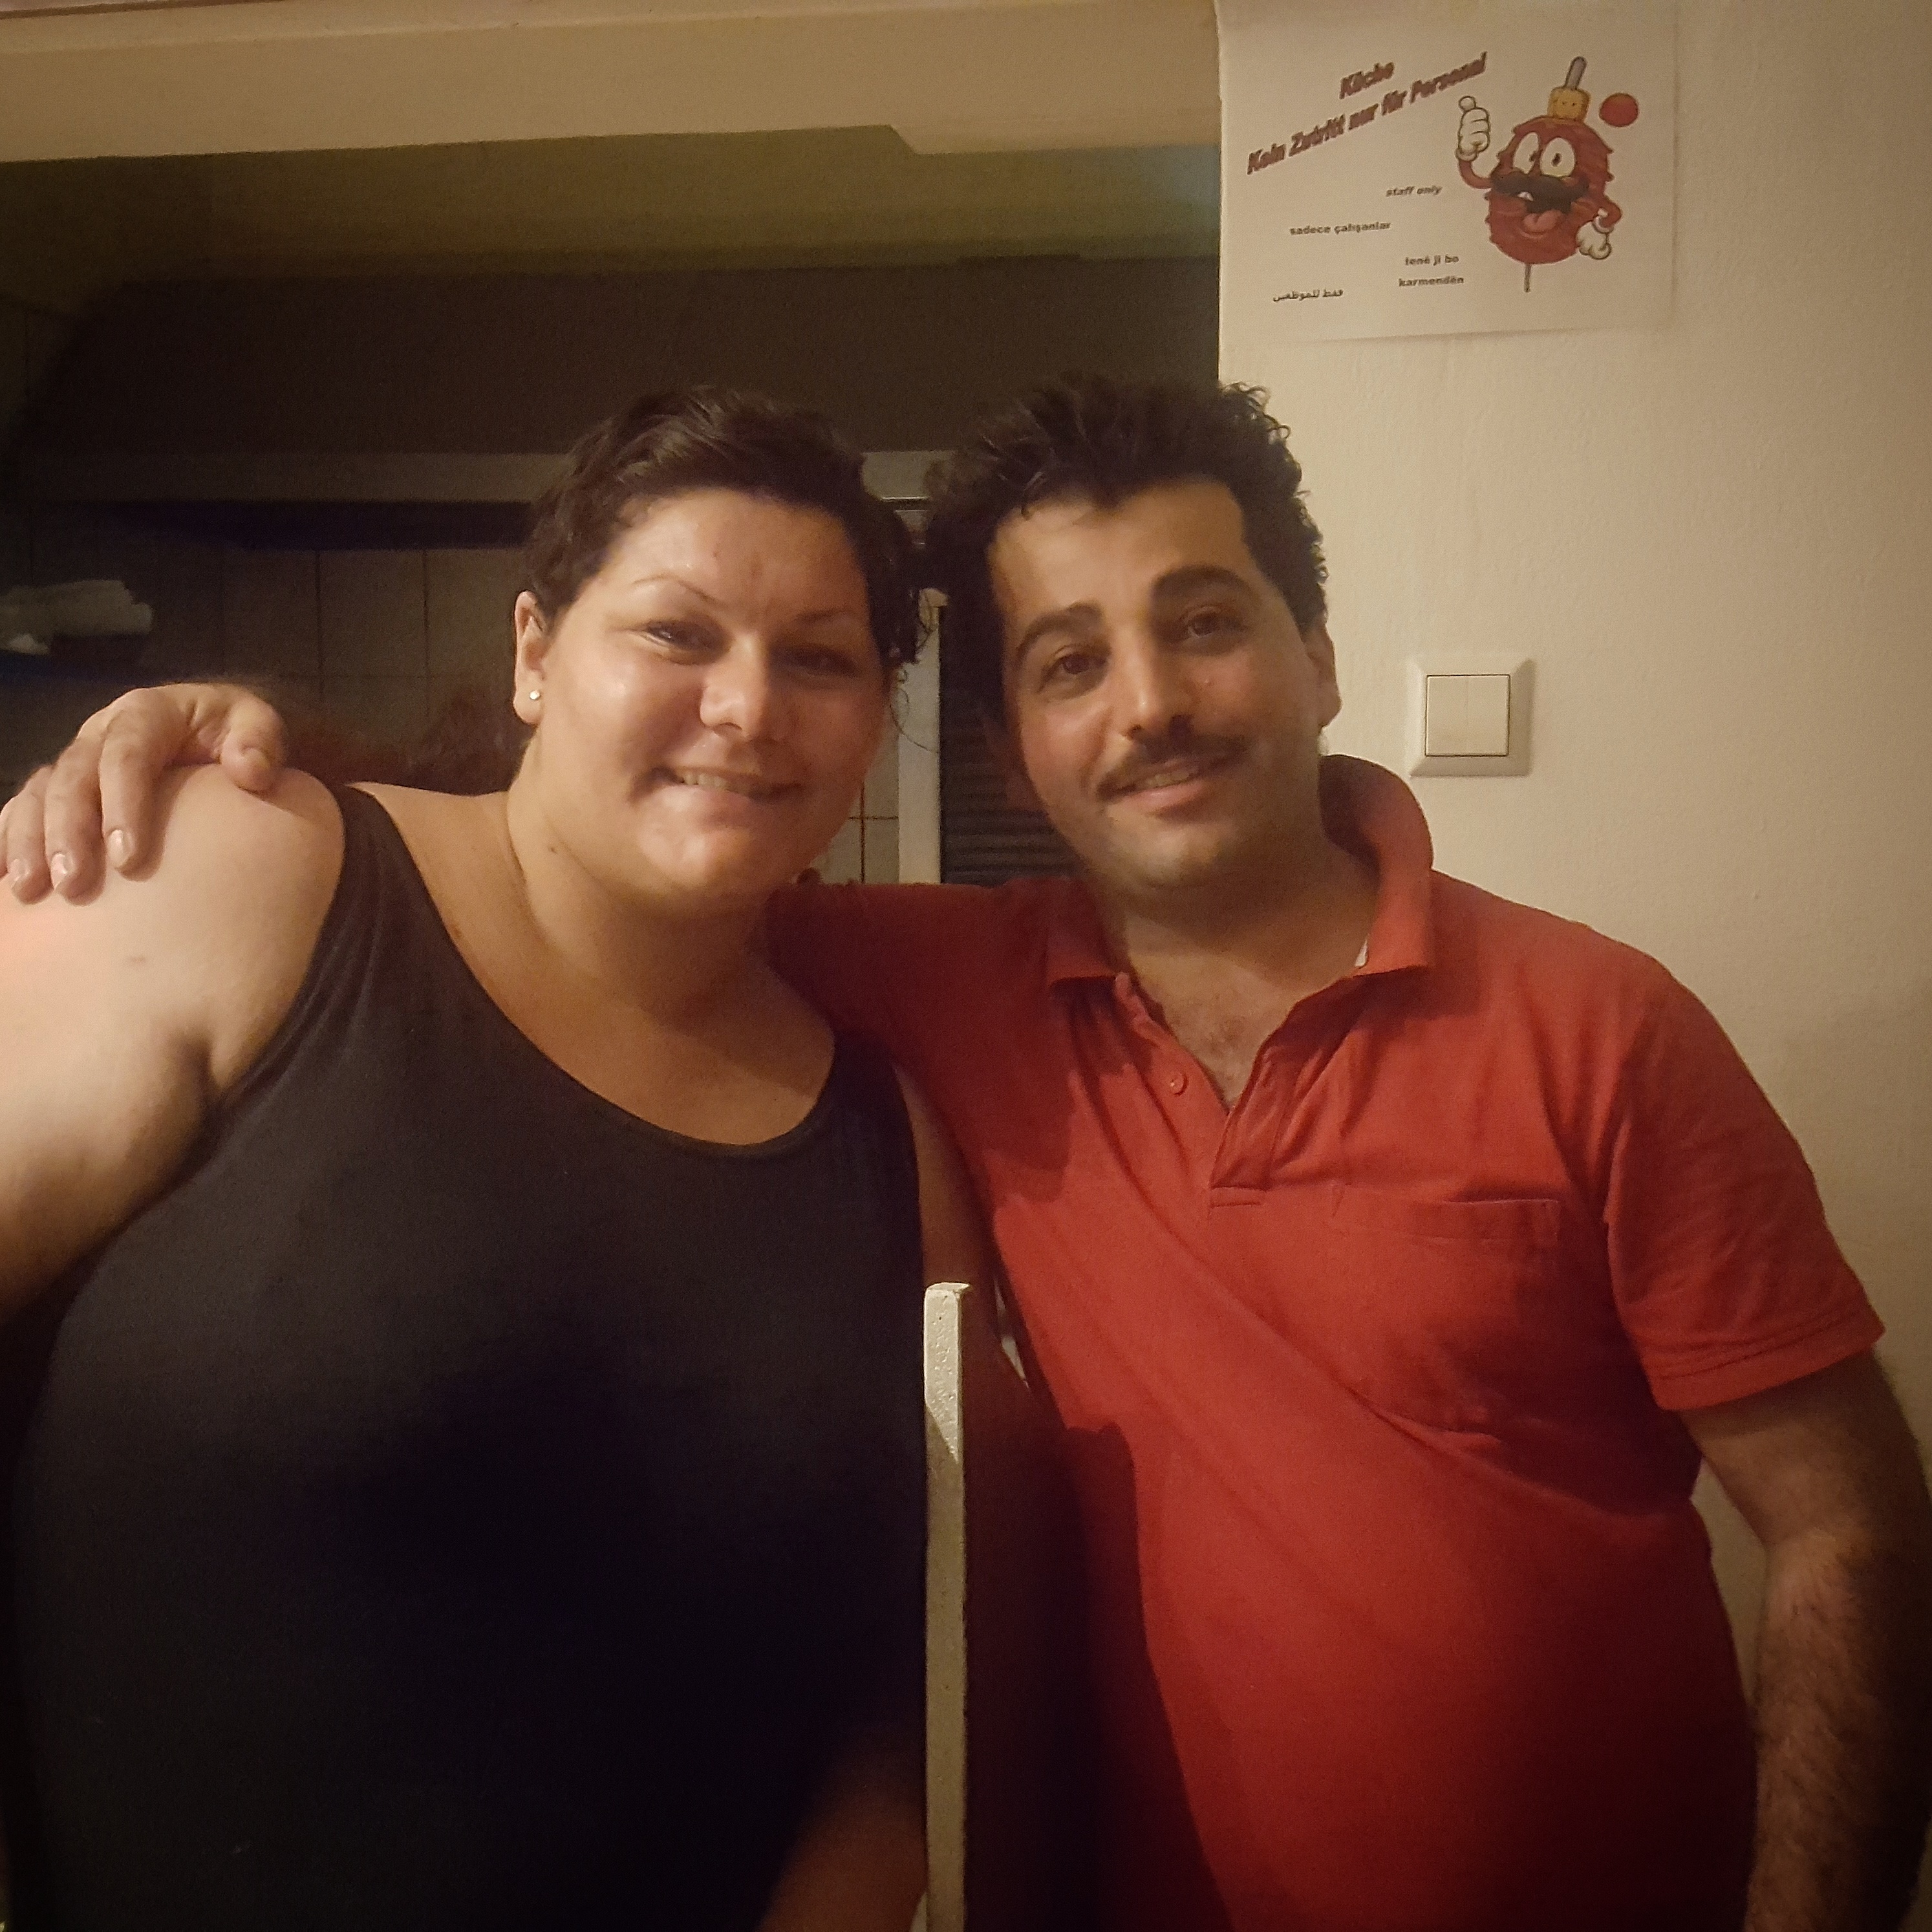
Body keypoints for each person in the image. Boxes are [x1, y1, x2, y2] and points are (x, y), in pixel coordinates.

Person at [10, 374, 1932, 1932]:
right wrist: (242, 759)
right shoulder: (935, 991)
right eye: (1070, 660)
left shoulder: (1599, 1026)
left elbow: (1847, 1523)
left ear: (1319, 654)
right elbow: (591, 868)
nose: (1151, 703)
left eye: (1204, 624)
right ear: (1012, 743)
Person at [0, 387, 994, 1932]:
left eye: (819, 658)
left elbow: (904, 1689)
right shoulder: (246, 879)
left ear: (875, 718)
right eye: (676, 633)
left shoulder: (886, 1145)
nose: (748, 707)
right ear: (536, 652)